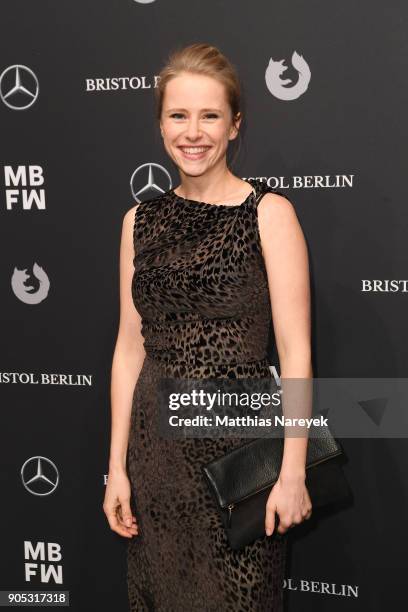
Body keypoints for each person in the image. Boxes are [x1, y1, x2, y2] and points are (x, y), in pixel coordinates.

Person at [103, 43, 313, 611]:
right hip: (157, 466)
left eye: (209, 115)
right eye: (178, 115)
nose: (192, 133)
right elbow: (128, 351)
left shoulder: (268, 214)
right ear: (160, 124)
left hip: (240, 467)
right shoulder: (138, 222)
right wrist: (116, 470)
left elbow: (295, 354)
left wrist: (292, 471)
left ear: (235, 124)